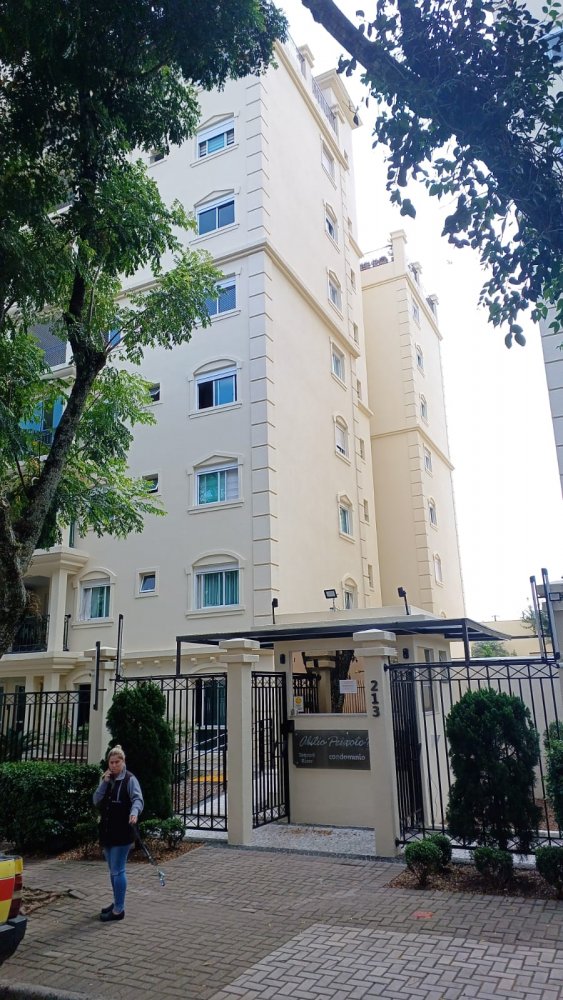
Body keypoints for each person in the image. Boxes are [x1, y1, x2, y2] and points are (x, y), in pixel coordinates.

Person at [93, 745, 144, 923]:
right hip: (107, 831)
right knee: (112, 870)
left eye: (117, 762)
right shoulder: (107, 779)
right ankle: (116, 902)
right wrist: (104, 782)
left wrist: (134, 813)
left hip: (123, 831)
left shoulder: (130, 779)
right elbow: (96, 800)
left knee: (118, 870)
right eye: (111, 762)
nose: (114, 765)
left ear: (123, 762)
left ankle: (119, 909)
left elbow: (138, 799)